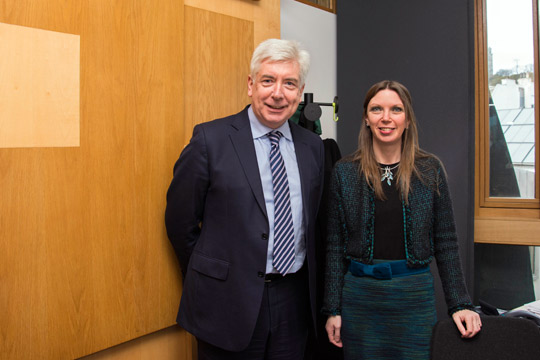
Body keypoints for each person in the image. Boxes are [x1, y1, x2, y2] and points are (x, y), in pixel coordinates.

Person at [165, 39, 324, 359]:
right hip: (226, 302)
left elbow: (316, 224)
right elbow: (180, 221)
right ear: (251, 85)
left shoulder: (312, 146)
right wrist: (212, 274)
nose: (278, 93)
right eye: (268, 80)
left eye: (289, 83)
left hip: (293, 303)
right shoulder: (211, 139)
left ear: (300, 90)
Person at [322, 80, 481, 359]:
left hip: (413, 299)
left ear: (407, 119)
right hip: (360, 300)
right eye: (376, 109)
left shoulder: (429, 170)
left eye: (396, 109)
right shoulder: (344, 172)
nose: (386, 118)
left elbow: (446, 242)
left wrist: (460, 303)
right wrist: (333, 309)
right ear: (366, 118)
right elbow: (335, 246)